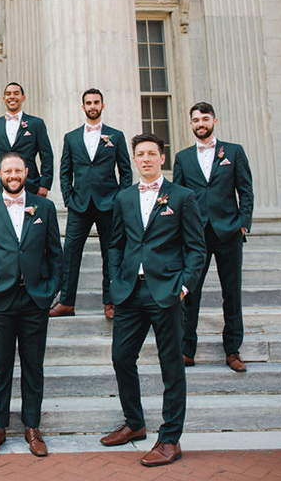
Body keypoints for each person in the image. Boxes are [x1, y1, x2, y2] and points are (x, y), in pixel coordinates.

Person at [100, 133, 205, 467]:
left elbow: (197, 248)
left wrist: (185, 285)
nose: (145, 159)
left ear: (162, 158)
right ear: (134, 159)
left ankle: (170, 438)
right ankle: (135, 423)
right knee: (121, 357)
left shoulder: (183, 196)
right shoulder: (124, 197)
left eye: (151, 154)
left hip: (167, 291)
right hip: (130, 291)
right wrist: (116, 279)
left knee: (171, 366)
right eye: (140, 154)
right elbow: (115, 243)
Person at [0, 153, 62, 457]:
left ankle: (32, 426)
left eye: (17, 170)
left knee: (33, 365)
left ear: (26, 173)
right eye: (7, 170)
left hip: (35, 299)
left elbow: (55, 254)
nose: (13, 175)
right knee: (1, 365)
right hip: (0, 299)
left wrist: (50, 290)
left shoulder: (45, 208)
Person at [172, 102, 254, 372]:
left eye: (204, 119)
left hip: (229, 231)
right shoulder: (183, 158)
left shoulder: (233, 152)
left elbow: (246, 190)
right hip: (196, 235)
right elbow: (179, 197)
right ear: (191, 124)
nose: (200, 124)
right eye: (195, 120)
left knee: (231, 294)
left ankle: (232, 351)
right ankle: (186, 349)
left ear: (214, 121)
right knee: (190, 292)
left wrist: (243, 224)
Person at [52, 89, 132, 320]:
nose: (92, 106)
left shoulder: (115, 136)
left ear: (103, 105)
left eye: (96, 102)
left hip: (109, 205)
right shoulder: (71, 137)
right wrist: (68, 198)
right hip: (79, 205)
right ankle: (66, 302)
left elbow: (125, 171)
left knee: (111, 254)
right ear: (83, 107)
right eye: (88, 102)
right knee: (70, 254)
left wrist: (120, 199)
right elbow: (65, 171)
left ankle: (111, 302)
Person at [0, 82, 53, 200]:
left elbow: (46, 156)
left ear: (23, 98)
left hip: (30, 184)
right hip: (0, 186)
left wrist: (44, 184)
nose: (12, 97)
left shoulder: (36, 124)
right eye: (8, 94)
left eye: (16, 93)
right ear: (4, 99)